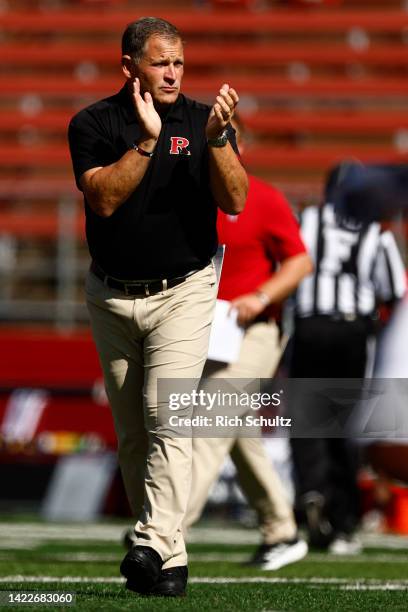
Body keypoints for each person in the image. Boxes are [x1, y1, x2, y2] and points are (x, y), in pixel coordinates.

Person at [68, 16, 248, 598]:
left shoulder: (203, 120)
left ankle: (147, 541)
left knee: (166, 415)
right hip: (112, 294)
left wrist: (219, 139)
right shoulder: (94, 122)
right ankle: (170, 561)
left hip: (185, 287)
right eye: (160, 61)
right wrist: (146, 141)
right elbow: (103, 199)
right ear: (129, 67)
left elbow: (237, 200)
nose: (172, 72)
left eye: (178, 61)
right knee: (132, 434)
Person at [182, 116, 312, 569]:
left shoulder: (264, 198)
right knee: (238, 432)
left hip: (255, 328)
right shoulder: (192, 197)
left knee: (210, 422)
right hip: (205, 328)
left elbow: (298, 262)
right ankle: (283, 529)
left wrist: (260, 297)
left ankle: (165, 531)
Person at [289, 162, 406, 554]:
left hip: (308, 327)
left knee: (308, 423)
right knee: (342, 427)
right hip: (351, 332)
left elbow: (285, 267)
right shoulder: (376, 231)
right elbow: (394, 291)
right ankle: (341, 518)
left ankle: (311, 492)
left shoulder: (305, 220)